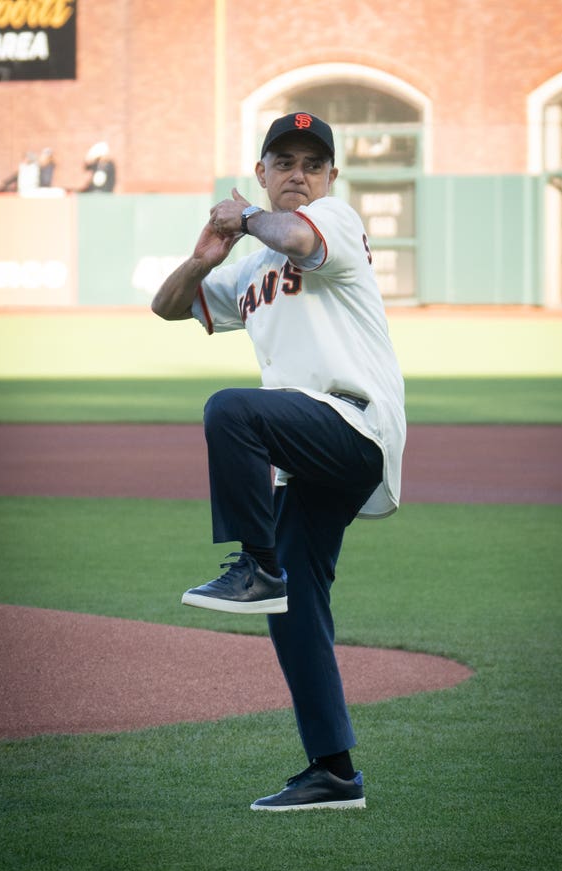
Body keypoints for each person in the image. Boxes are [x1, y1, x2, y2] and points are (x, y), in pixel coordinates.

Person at [152, 112, 406, 812]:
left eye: (312, 163)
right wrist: (206, 255)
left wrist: (245, 214)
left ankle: (254, 564)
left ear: (330, 178)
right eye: (283, 160)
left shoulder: (335, 219)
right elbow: (168, 306)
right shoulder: (253, 267)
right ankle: (333, 771)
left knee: (232, 411)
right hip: (312, 446)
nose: (298, 172)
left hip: (353, 422)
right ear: (262, 168)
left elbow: (295, 235)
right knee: (294, 606)